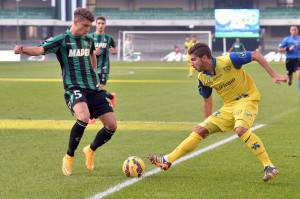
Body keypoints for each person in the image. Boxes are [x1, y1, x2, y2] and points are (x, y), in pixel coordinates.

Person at [148, 43, 287, 182]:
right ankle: (167, 160)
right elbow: (207, 101)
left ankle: (269, 166)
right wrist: (208, 123)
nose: (191, 64)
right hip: (229, 106)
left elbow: (256, 55)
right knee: (200, 129)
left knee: (240, 129)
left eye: (193, 60)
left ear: (204, 58)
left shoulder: (228, 60)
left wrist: (274, 75)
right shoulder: (202, 78)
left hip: (247, 99)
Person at [14, 8, 117, 176]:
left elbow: (93, 54)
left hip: (93, 88)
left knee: (112, 126)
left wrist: (95, 71)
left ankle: (90, 150)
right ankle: (69, 156)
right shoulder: (62, 40)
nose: (88, 30)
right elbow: (40, 50)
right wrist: (23, 49)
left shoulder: (88, 39)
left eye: (89, 26)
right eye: (85, 26)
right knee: (83, 117)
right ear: (75, 22)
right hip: (74, 88)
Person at [278, 25, 300, 95]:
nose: (293, 31)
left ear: (297, 31)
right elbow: (279, 49)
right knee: (290, 74)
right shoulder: (286, 39)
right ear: (290, 31)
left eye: (295, 30)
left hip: (298, 59)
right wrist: (288, 49)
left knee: (299, 75)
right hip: (289, 60)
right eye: (292, 30)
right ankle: (290, 80)